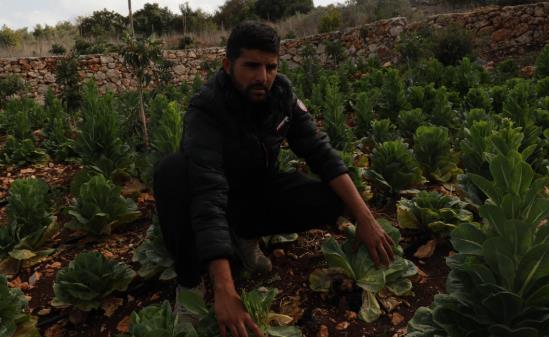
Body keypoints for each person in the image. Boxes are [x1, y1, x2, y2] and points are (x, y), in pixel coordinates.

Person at [153, 21, 395, 337]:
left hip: (255, 193)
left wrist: (366, 218)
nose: (262, 77)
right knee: (170, 172)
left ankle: (245, 236)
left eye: (270, 67)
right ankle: (189, 285)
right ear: (227, 65)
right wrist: (224, 288)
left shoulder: (281, 95)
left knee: (333, 198)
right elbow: (208, 191)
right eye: (251, 66)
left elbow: (320, 153)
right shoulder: (206, 108)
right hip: (217, 197)